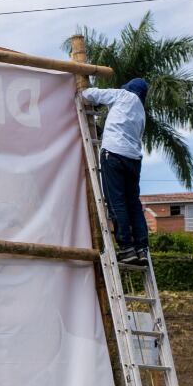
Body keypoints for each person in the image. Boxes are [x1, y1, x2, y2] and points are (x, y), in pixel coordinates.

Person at [80, 78, 150, 266]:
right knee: (133, 204)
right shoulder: (141, 112)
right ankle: (141, 249)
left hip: (114, 154)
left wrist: (80, 92)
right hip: (134, 160)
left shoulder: (122, 95)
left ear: (129, 89)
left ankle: (126, 248)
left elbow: (90, 95)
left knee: (116, 201)